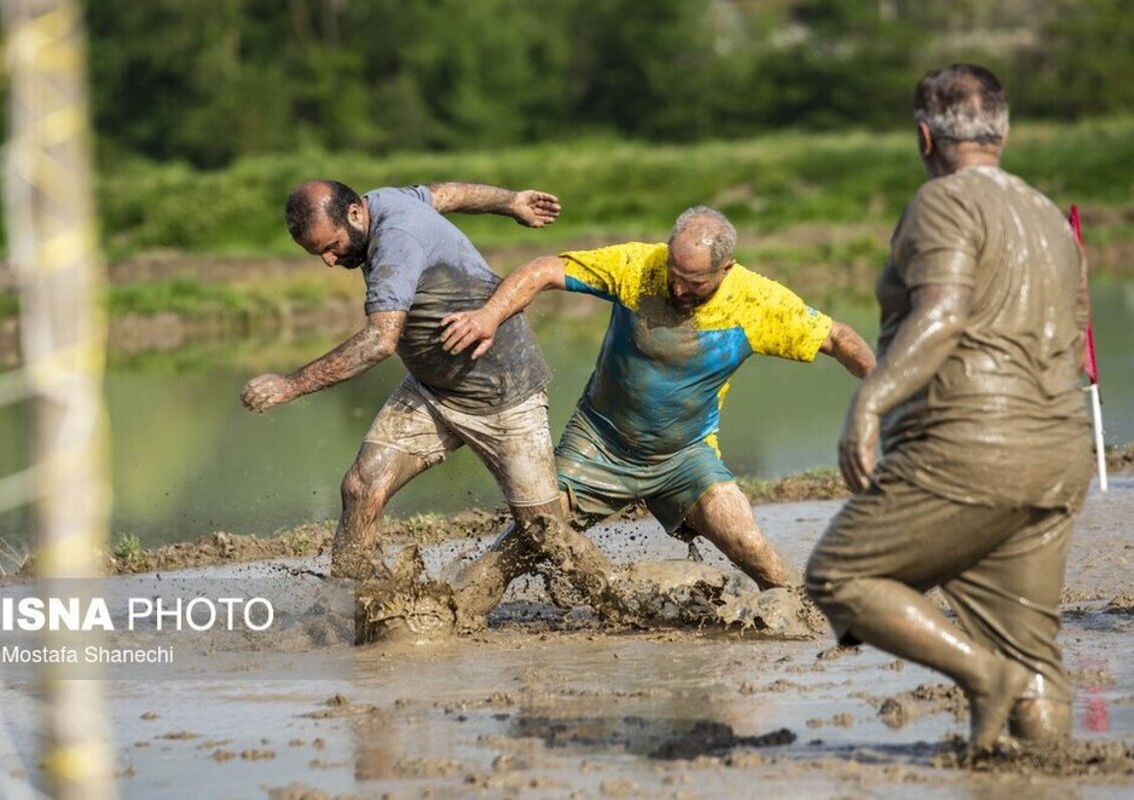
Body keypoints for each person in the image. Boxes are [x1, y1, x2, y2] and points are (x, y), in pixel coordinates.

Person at [804, 64, 1093, 750]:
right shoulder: (1049, 215)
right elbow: (1075, 336)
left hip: (967, 448)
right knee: (1033, 656)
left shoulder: (942, 202)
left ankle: (981, 676)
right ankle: (1041, 774)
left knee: (840, 575)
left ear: (923, 137)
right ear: (1004, 130)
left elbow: (942, 311)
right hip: (1058, 451)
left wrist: (869, 400)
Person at [440, 206, 875, 595]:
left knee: (750, 544)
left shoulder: (757, 302)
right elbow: (544, 270)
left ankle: (803, 613)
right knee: (530, 536)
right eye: (675, 274)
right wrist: (489, 317)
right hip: (599, 444)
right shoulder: (638, 266)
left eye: (695, 283)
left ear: (726, 269)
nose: (679, 289)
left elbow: (836, 337)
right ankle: (455, 610)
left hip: (684, 455)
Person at [241, 180, 620, 623]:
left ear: (354, 214)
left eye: (332, 247)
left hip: (502, 395)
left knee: (545, 533)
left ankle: (625, 601)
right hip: (432, 392)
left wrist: (291, 385)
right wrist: (510, 202)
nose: (330, 261)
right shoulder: (384, 201)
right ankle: (349, 609)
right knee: (362, 486)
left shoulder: (395, 240)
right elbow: (448, 194)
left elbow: (380, 341)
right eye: (319, 254)